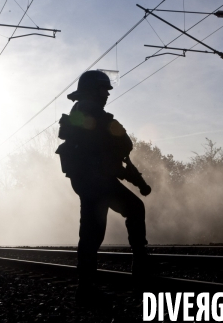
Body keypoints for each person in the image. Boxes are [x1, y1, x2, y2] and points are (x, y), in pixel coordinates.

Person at [55, 70, 152, 306]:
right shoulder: (88, 114)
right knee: (133, 210)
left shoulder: (84, 114)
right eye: (102, 90)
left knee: (91, 233)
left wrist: (137, 180)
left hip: (90, 180)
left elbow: (112, 158)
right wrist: (114, 132)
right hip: (95, 180)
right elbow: (108, 150)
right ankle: (140, 270)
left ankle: (86, 288)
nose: (106, 94)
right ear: (91, 90)